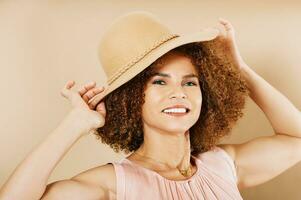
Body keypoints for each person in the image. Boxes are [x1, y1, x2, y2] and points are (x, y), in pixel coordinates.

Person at [1, 11, 301, 200]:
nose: (178, 93)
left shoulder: (224, 165)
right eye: (159, 82)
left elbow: (296, 138)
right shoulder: (112, 184)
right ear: (131, 99)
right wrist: (74, 125)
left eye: (190, 82)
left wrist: (239, 69)